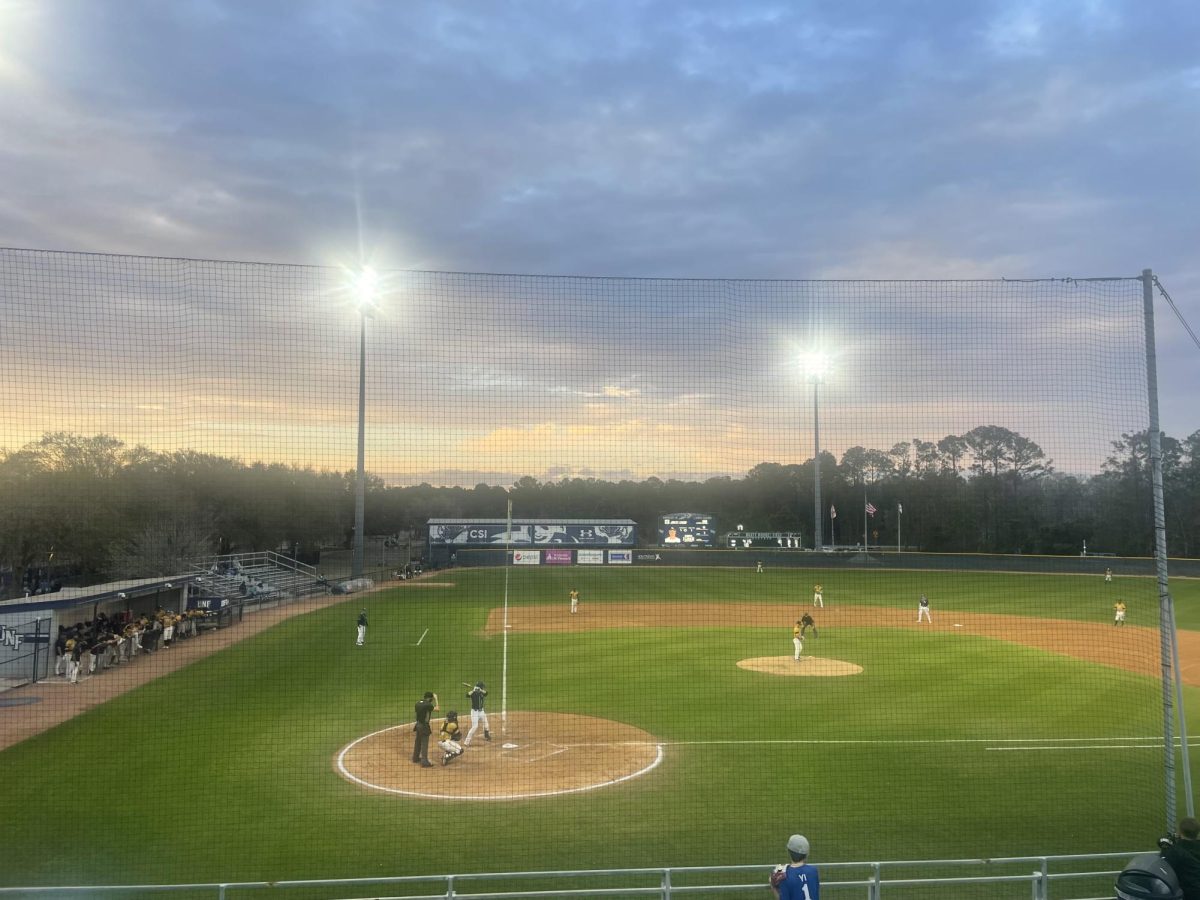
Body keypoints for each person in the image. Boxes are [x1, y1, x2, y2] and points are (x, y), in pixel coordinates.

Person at [769, 834, 820, 899]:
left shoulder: (784, 876)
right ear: (807, 854)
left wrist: (773, 886)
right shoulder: (813, 871)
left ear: (788, 851)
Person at [1163, 817, 1200, 900]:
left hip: (1186, 893)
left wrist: (1164, 848)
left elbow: (1165, 866)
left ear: (1180, 832)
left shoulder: (1175, 851)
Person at [412, 690, 438, 767]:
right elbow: (437, 709)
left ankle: (415, 758)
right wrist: (436, 699)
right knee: (424, 743)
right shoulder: (428, 705)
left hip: (418, 725)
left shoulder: (417, 703)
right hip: (424, 726)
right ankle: (424, 762)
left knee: (418, 741)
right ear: (429, 698)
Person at [464, 681, 491, 745]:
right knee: (475, 727)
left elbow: (486, 693)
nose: (483, 688)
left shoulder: (482, 692)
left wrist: (480, 690)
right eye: (482, 687)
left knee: (486, 724)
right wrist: (473, 690)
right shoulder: (473, 693)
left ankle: (486, 736)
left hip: (481, 711)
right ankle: (467, 742)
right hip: (474, 712)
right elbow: (467, 695)